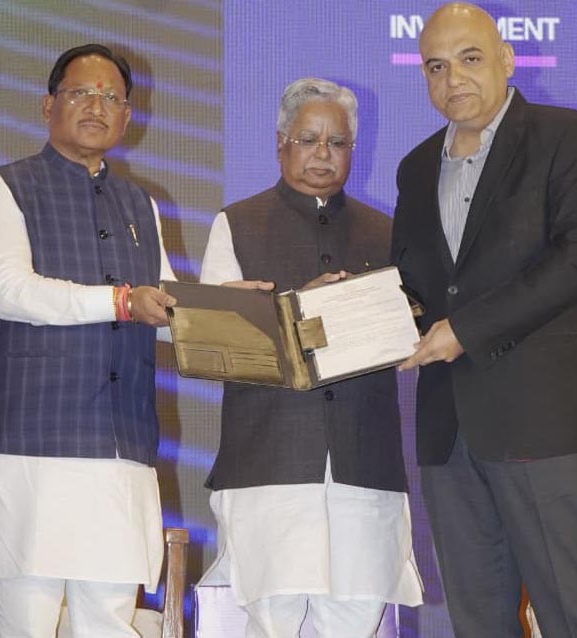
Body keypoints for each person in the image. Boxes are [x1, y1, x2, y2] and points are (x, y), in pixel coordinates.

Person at [392, 3, 577, 637]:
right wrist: (360, 304)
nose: (453, 78)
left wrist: (465, 330)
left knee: (573, 615)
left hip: (544, 420)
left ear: (507, 59)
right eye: (436, 66)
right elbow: (415, 284)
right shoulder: (415, 166)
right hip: (449, 429)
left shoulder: (566, 136)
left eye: (470, 58)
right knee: (477, 620)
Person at [197, 77, 423, 638]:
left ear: (353, 149)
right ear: (281, 143)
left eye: (337, 142)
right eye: (309, 139)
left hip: (364, 464)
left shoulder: (388, 232)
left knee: (356, 619)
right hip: (268, 460)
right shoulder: (236, 223)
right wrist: (305, 309)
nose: (323, 153)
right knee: (272, 622)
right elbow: (218, 343)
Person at [0, 44, 178, 637]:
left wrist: (232, 304)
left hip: (120, 445)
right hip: (34, 447)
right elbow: (8, 290)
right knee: (28, 624)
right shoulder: (7, 187)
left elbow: (166, 302)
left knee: (109, 622)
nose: (97, 106)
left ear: (128, 117)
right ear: (48, 105)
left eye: (112, 97)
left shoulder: (141, 204)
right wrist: (119, 301)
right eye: (82, 92)